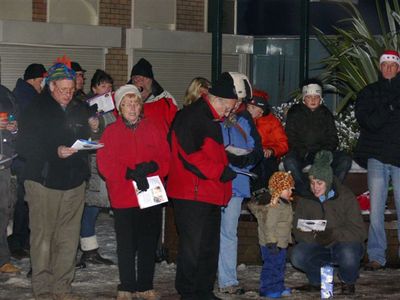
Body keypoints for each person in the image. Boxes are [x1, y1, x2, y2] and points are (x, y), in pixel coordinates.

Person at [168, 72, 251, 300]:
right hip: (192, 194)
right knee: (192, 249)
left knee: (208, 248)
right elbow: (190, 155)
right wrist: (220, 171)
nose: (235, 109)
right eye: (235, 104)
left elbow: (208, 152)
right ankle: (189, 293)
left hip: (209, 192)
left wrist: (228, 164)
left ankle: (203, 291)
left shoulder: (212, 117)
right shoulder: (192, 116)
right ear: (223, 98)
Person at [17, 57, 91, 299]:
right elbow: (24, 145)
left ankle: (62, 287)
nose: (68, 95)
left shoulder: (79, 107)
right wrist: (54, 152)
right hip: (43, 181)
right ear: (51, 86)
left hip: (74, 181)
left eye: (71, 90)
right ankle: (44, 289)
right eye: (63, 90)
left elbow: (87, 134)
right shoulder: (36, 108)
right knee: (43, 237)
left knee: (69, 237)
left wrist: (92, 127)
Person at [97, 84, 170, 300]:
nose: (132, 108)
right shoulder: (111, 132)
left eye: (135, 103)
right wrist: (128, 172)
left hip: (150, 192)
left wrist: (151, 167)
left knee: (148, 241)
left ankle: (145, 284)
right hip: (124, 194)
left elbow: (166, 158)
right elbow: (105, 164)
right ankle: (126, 285)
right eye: (127, 104)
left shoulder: (154, 128)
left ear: (141, 106)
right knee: (126, 244)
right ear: (119, 107)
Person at [290, 150, 366, 296]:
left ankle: (347, 280)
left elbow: (359, 231)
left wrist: (333, 234)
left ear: (329, 181)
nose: (314, 187)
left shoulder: (345, 196)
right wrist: (315, 237)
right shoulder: (306, 199)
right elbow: (297, 230)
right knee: (297, 255)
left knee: (348, 254)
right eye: (312, 182)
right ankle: (319, 281)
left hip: (343, 244)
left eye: (319, 183)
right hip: (319, 246)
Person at [354, 50, 400, 271]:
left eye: (393, 65)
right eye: (385, 65)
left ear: (398, 68)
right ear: (380, 68)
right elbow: (368, 122)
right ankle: (376, 256)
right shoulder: (368, 92)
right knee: (376, 210)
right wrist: (390, 108)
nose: (388, 68)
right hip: (377, 158)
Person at [217, 74, 259, 295]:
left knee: (229, 232)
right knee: (211, 232)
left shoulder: (244, 121)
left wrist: (243, 160)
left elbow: (255, 150)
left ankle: (227, 279)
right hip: (215, 182)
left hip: (236, 182)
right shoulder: (213, 120)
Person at [283, 78, 352, 197]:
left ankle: (331, 190)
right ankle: (306, 193)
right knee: (289, 162)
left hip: (321, 154)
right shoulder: (295, 112)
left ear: (321, 99)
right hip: (301, 153)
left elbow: (332, 137)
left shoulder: (325, 113)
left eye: (316, 97)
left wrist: (324, 154)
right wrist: (303, 152)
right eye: (309, 97)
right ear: (304, 99)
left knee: (345, 160)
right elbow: (291, 136)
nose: (313, 100)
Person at [8, 63, 47, 260]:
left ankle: (20, 242)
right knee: (25, 202)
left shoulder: (25, 94)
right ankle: (18, 243)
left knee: (26, 202)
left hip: (25, 157)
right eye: (41, 81)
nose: (43, 85)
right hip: (26, 158)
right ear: (32, 80)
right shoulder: (27, 97)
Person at [78, 68, 114, 267]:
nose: (106, 89)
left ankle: (89, 248)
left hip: (108, 162)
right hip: (93, 163)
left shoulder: (111, 108)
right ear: (94, 88)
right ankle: (87, 248)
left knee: (96, 205)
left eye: (109, 86)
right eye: (102, 85)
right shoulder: (89, 107)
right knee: (90, 206)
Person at [247, 171, 295, 298]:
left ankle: (278, 287)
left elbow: (285, 224)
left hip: (281, 243)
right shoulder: (274, 206)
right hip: (272, 244)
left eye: (291, 188)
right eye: (287, 189)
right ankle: (267, 288)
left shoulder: (285, 203)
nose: (290, 191)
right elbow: (269, 226)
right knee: (271, 266)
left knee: (279, 266)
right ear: (278, 189)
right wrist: (272, 242)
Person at [246, 89, 288, 192]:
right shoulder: (242, 119)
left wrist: (272, 150)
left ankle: (264, 192)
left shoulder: (272, 122)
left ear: (261, 111)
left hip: (267, 155)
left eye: (252, 107)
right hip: (247, 153)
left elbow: (283, 144)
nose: (248, 109)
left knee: (264, 163)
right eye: (248, 106)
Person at [0, 84, 20, 274]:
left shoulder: (5, 93)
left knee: (3, 213)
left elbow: (16, 121)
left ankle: (2, 259)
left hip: (3, 164)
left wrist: (13, 129)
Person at [130, 58, 177, 133]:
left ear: (151, 81)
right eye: (135, 79)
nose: (139, 82)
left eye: (143, 79)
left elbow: (175, 126)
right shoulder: (124, 99)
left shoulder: (166, 99)